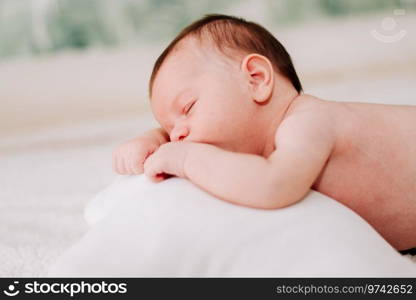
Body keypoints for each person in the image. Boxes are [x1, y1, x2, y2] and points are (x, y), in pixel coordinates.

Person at [112, 14, 416, 251]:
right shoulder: (256, 148)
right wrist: (153, 141)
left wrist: (187, 159)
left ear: (255, 79)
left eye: (188, 107)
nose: (178, 136)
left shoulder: (309, 123)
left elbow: (274, 185)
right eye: (168, 128)